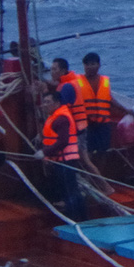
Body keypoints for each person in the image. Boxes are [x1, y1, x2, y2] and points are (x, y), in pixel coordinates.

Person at [75, 52, 133, 160]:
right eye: (87, 64)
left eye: (93, 64)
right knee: (87, 151)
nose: (89, 67)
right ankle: (89, 175)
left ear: (99, 65)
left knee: (103, 151)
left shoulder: (104, 81)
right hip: (86, 124)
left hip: (103, 124)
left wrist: (125, 110)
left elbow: (110, 99)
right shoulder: (77, 81)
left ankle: (99, 174)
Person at [40, 87, 84, 218]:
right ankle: (77, 217)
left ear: (57, 103)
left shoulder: (61, 118)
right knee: (68, 190)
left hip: (66, 160)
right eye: (44, 102)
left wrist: (44, 152)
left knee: (70, 191)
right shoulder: (54, 117)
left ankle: (77, 219)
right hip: (59, 159)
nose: (45, 105)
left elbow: (63, 141)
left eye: (48, 102)